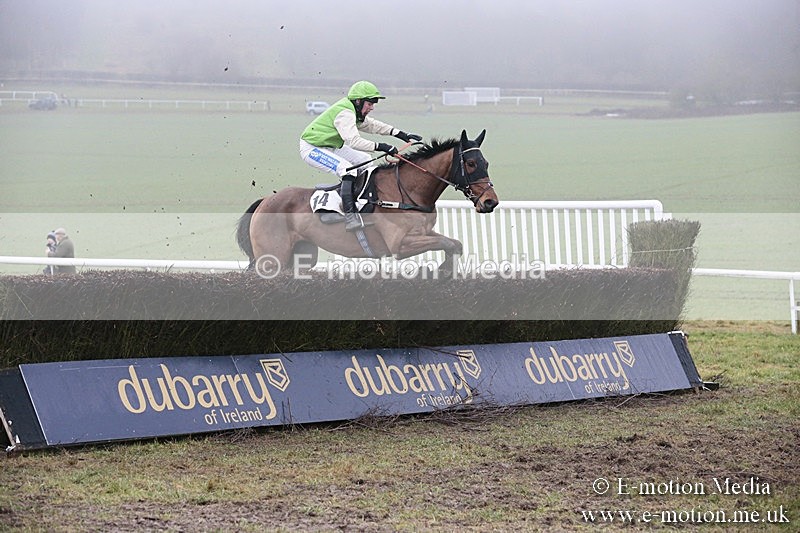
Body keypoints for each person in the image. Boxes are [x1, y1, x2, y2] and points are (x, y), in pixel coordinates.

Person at [299, 80, 422, 231]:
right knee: (348, 169)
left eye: (373, 104)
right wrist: (382, 146)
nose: (372, 107)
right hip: (312, 148)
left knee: (365, 160)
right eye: (369, 103)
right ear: (358, 101)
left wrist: (402, 135)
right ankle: (350, 217)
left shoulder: (355, 112)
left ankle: (363, 201)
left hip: (330, 146)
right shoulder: (345, 112)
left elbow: (373, 125)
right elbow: (353, 141)